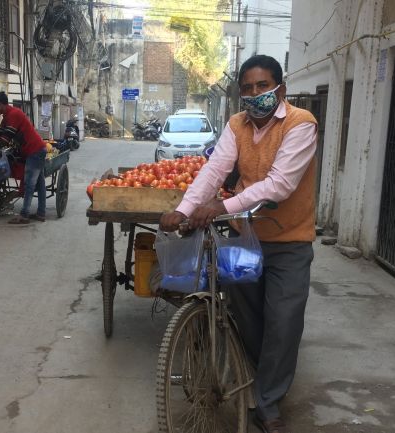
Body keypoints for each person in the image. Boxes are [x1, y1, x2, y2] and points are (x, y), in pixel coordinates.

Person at [160, 54, 317, 433]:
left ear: (281, 88)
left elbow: (279, 184)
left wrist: (219, 206)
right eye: (247, 88)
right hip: (245, 237)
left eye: (263, 86)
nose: (255, 94)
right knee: (246, 317)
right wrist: (184, 209)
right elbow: (214, 170)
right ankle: (258, 376)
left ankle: (268, 402)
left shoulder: (301, 124)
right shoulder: (236, 124)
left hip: (290, 240)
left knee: (283, 322)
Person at [0, 92, 47, 224]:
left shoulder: (14, 114)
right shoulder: (7, 117)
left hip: (35, 150)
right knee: (40, 183)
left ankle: (24, 215)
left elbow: (5, 139)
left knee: (29, 184)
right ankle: (41, 213)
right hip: (34, 150)